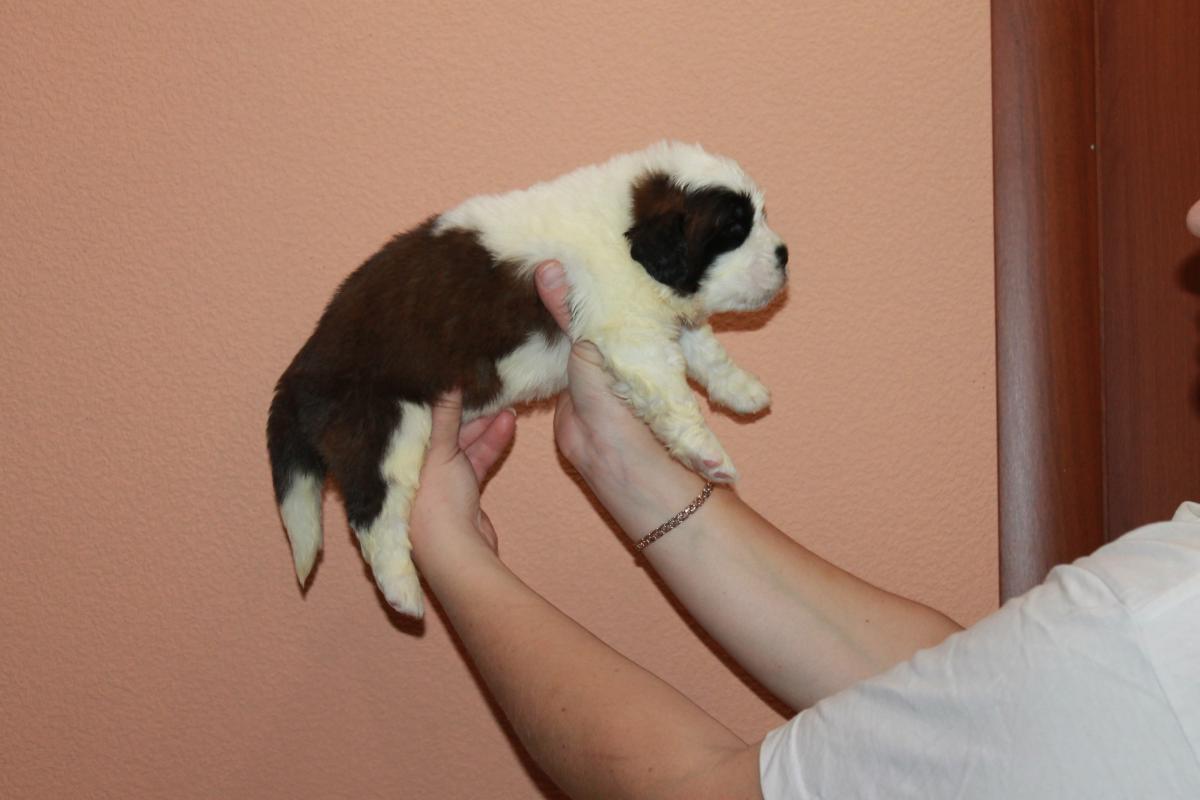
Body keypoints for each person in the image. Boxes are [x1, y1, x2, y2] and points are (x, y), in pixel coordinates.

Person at [407, 200, 1200, 799]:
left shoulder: (1161, 624)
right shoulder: (1162, 608)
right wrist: (627, 469)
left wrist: (448, 546)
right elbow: (975, 712)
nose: (1194, 215)